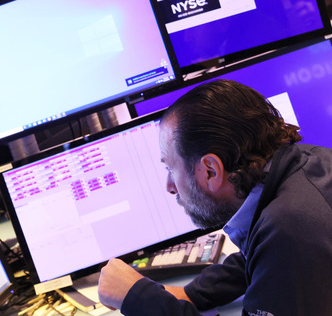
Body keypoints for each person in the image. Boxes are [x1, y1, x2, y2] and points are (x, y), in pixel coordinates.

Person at [97, 79, 332, 315]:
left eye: (170, 168)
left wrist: (137, 297)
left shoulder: (291, 228)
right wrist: (194, 293)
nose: (170, 186)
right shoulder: (307, 160)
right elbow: (262, 257)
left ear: (211, 170)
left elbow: (282, 251)